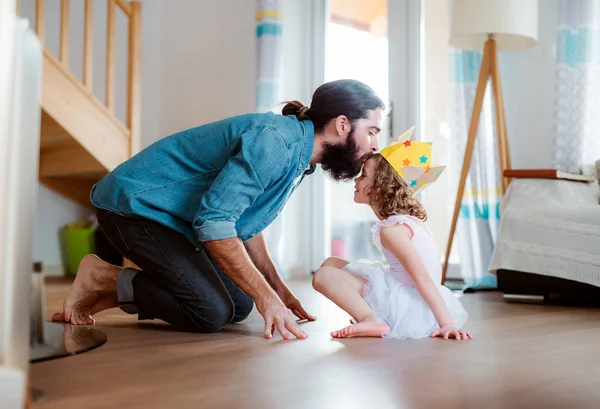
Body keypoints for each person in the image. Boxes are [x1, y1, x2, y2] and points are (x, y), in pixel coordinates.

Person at [52, 79, 386, 341]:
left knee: (239, 306)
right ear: (342, 124)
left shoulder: (299, 159)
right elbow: (215, 224)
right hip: (134, 207)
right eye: (371, 131)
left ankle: (112, 291)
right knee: (209, 312)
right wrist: (266, 298)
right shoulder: (276, 144)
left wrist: (276, 289)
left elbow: (241, 224)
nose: (374, 144)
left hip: (172, 219)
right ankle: (103, 276)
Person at [312, 128, 471, 340]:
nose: (356, 181)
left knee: (323, 276)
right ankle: (368, 317)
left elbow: (423, 278)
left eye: (363, 176)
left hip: (410, 307)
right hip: (407, 292)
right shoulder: (402, 223)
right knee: (331, 262)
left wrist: (447, 324)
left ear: (381, 187)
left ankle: (371, 319)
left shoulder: (393, 230)